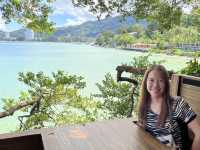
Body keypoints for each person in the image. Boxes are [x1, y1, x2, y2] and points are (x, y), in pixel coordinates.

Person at [137, 64, 200, 150]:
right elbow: (142, 131)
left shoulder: (177, 104)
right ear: (145, 82)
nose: (155, 85)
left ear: (166, 84)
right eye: (151, 80)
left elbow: (199, 132)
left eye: (160, 81)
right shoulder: (144, 104)